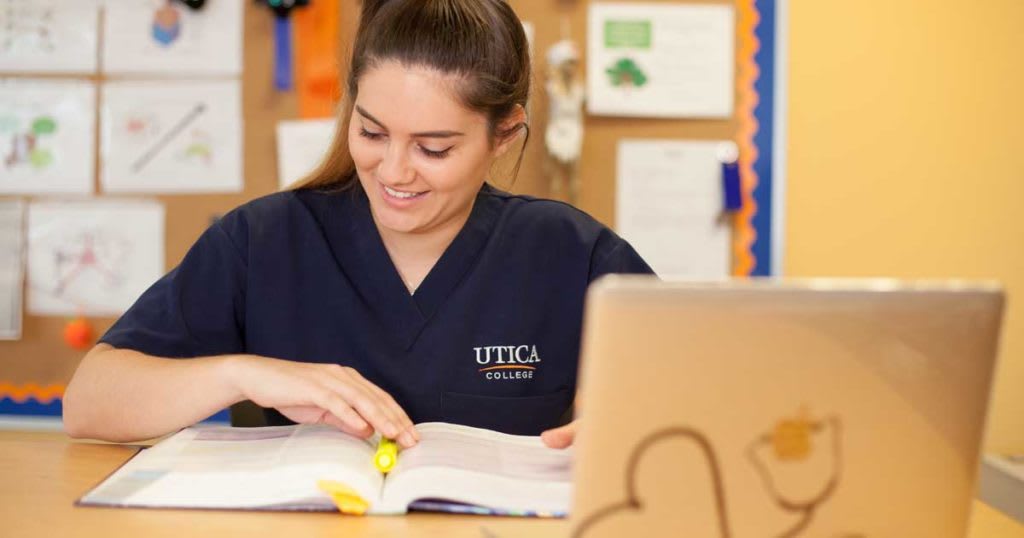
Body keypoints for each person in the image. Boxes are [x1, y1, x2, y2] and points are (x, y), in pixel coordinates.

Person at [63, 0, 653, 450]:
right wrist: (243, 374)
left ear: (503, 133)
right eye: (371, 132)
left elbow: (710, 399)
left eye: (434, 148)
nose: (393, 171)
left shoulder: (572, 255)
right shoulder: (263, 243)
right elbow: (89, 403)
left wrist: (626, 427)